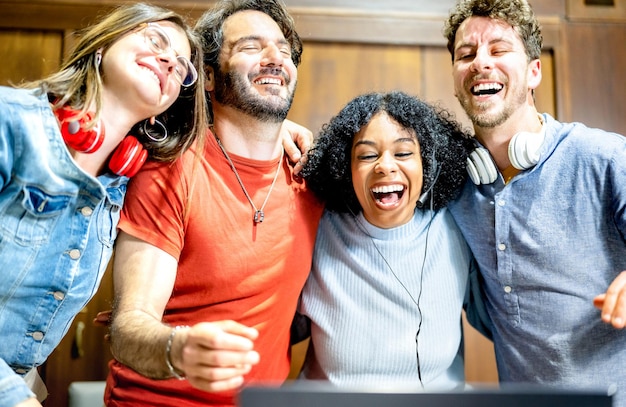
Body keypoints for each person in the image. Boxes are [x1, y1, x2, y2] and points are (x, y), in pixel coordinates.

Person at [103, 0, 324, 406]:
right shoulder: (172, 170)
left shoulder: (312, 175)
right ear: (206, 75)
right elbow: (128, 327)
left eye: (284, 49)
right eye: (251, 47)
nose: (276, 58)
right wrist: (179, 349)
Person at [0, 3, 207, 407]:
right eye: (155, 40)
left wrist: (280, 124)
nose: (169, 60)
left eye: (182, 68)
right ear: (103, 44)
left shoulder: (125, 181)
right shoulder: (11, 119)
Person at [443, 0, 626, 404]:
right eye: (466, 54)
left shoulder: (606, 158)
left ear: (533, 72)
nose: (480, 63)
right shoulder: (453, 181)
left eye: (499, 49)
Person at [295, 90, 481, 390]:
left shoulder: (458, 226)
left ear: (428, 164)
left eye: (403, 153)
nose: (385, 166)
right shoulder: (316, 229)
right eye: (367, 155)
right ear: (346, 169)